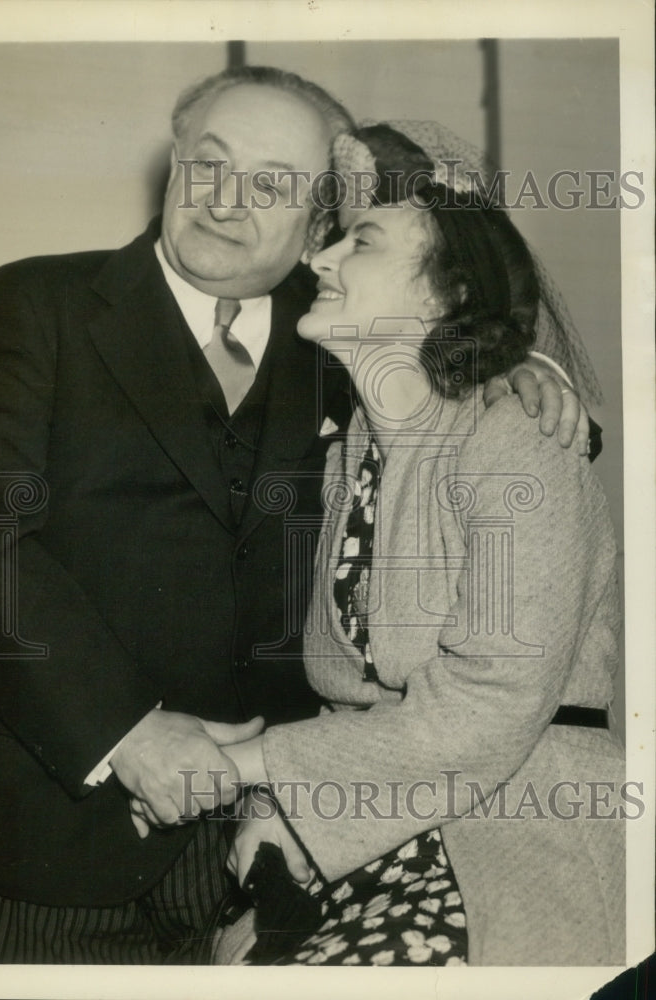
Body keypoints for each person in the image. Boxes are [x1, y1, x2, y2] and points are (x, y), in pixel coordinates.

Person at [0, 69, 586, 965]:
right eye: (208, 164)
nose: (225, 203)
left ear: (322, 221)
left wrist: (525, 368)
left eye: (272, 183)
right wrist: (129, 736)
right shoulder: (39, 301)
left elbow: (466, 385)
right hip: (58, 824)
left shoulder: (339, 331)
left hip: (280, 842)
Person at [217, 124, 624, 966]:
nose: (316, 262)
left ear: (448, 292)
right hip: (379, 835)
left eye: (357, 242)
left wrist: (251, 765)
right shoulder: (349, 455)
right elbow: (351, 698)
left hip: (514, 832)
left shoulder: (517, 439)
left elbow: (485, 704)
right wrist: (283, 813)